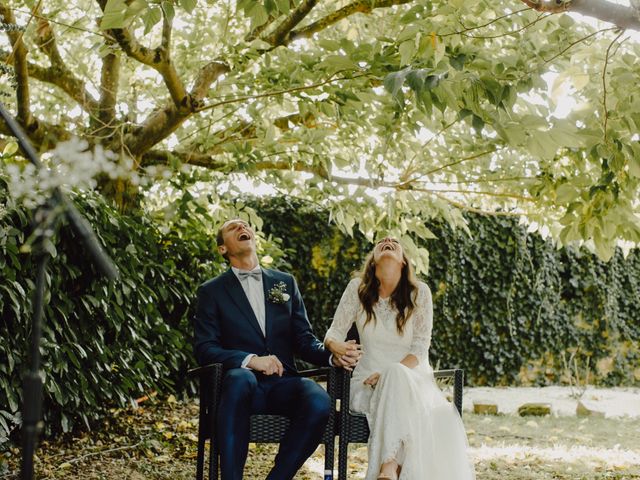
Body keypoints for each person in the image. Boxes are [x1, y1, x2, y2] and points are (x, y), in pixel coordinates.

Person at [194, 218, 359, 480]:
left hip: (284, 385)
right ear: (222, 249)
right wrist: (250, 360)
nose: (242, 228)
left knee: (318, 398)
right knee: (239, 377)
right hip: (239, 390)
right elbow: (205, 348)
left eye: (245, 225)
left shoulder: (284, 283)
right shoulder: (211, 291)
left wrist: (332, 355)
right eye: (232, 227)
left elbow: (304, 340)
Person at [324, 237, 476, 480]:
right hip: (366, 384)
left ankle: (389, 466)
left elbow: (419, 348)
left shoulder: (420, 293)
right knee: (394, 377)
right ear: (372, 262)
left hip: (413, 381)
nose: (387, 241)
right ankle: (392, 468)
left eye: (394, 243)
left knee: (395, 373)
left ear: (404, 262)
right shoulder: (356, 288)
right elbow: (333, 333)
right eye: (381, 243)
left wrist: (388, 375)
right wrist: (336, 346)